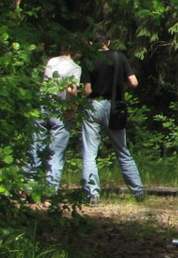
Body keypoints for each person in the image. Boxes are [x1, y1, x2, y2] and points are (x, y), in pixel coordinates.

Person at [80, 30, 145, 204]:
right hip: (115, 106)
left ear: (90, 43)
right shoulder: (119, 57)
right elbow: (134, 82)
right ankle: (138, 192)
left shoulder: (88, 59)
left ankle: (92, 194)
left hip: (93, 105)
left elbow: (87, 90)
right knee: (122, 150)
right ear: (108, 41)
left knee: (89, 153)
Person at [24, 46, 82, 194]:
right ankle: (49, 192)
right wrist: (73, 109)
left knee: (36, 147)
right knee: (56, 154)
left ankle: (29, 188)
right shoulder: (75, 68)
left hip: (43, 107)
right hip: (60, 111)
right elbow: (71, 90)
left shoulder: (51, 61)